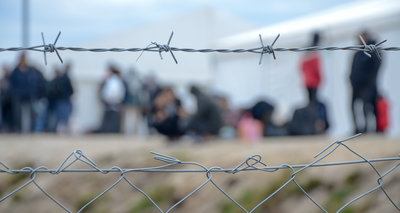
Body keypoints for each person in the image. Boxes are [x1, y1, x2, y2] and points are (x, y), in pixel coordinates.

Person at [350, 31, 382, 133]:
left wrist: (368, 79)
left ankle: (370, 129)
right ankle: (358, 129)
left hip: (368, 84)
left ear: (366, 37)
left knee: (368, 107)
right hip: (356, 84)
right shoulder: (359, 50)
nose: (359, 40)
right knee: (353, 106)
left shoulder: (373, 50)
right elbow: (354, 67)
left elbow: (376, 66)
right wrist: (351, 78)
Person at [9, 52, 46, 133]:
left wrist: (36, 92)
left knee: (33, 114)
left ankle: (32, 130)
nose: (23, 60)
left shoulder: (31, 70)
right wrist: (14, 93)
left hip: (30, 95)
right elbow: (11, 84)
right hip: (18, 95)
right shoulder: (15, 71)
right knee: (17, 114)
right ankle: (18, 130)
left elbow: (37, 81)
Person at [97, 64, 128, 133]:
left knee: (110, 118)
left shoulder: (112, 80)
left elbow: (109, 92)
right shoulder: (116, 80)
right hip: (114, 102)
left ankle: (109, 131)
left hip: (111, 102)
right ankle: (111, 131)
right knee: (112, 119)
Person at [300, 32, 322, 103]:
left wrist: (306, 74)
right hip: (314, 81)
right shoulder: (315, 50)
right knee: (314, 101)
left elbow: (301, 66)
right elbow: (316, 68)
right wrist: (320, 78)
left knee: (309, 100)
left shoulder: (307, 49)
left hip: (307, 81)